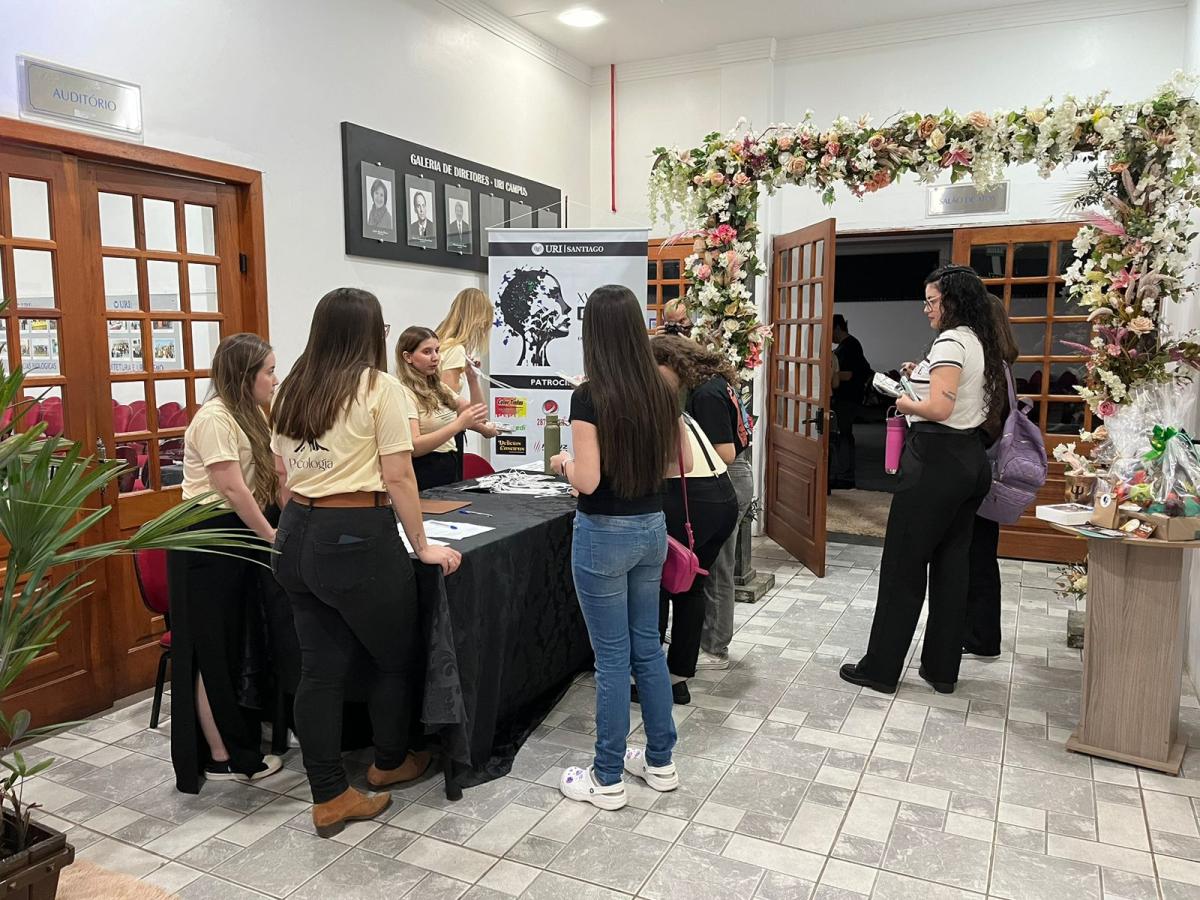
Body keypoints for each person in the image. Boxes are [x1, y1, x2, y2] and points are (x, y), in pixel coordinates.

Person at [270, 288, 461, 838]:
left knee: (319, 670)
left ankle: (329, 793)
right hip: (357, 533)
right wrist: (421, 545)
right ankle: (389, 760)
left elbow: (283, 475)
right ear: (371, 334)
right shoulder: (380, 388)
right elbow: (398, 475)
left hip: (296, 531)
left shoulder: (293, 388)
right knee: (393, 658)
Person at [549, 284, 692, 810]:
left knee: (611, 658)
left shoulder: (590, 396)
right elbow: (681, 463)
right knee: (647, 647)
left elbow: (586, 480)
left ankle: (606, 776)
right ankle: (660, 760)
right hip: (651, 528)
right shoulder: (662, 388)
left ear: (592, 334)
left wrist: (563, 463)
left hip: (603, 534)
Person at [839, 266, 1004, 696]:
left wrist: (902, 398)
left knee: (903, 566)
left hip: (936, 459)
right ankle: (941, 669)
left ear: (952, 301)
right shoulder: (977, 339)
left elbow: (939, 409)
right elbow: (956, 396)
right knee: (952, 567)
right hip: (968, 459)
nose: (926, 309)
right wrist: (921, 377)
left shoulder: (950, 342)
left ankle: (880, 669)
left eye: (932, 301)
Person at [168, 333, 284, 793]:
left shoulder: (249, 413)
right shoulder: (215, 418)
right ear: (244, 375)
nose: (275, 380)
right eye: (269, 372)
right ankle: (224, 755)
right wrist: (272, 536)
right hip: (208, 539)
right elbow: (233, 489)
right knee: (212, 651)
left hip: (234, 536)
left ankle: (239, 742)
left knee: (235, 645)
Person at [651, 335, 752, 671]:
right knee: (695, 581)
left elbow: (725, 452)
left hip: (715, 481)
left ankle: (712, 647)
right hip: (718, 486)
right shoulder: (715, 383)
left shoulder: (705, 394)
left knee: (701, 575)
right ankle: (686, 660)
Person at [963, 294, 1019, 657]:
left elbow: (988, 425)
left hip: (980, 470)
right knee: (980, 555)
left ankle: (981, 638)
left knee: (977, 557)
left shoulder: (993, 368)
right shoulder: (1002, 365)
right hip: (987, 469)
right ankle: (981, 635)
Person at [395, 326, 494, 490]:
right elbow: (415, 446)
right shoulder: (405, 393)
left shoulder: (438, 387)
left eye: (437, 350)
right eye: (427, 352)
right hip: (425, 471)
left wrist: (472, 379)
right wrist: (458, 424)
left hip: (450, 466)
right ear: (408, 357)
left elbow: (479, 415)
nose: (435, 358)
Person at [830, 314, 872, 490]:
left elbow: (847, 374)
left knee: (843, 436)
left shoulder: (849, 347)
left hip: (848, 398)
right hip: (848, 397)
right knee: (843, 436)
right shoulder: (849, 345)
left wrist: (828, 373)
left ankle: (845, 476)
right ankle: (843, 474)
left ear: (837, 328)